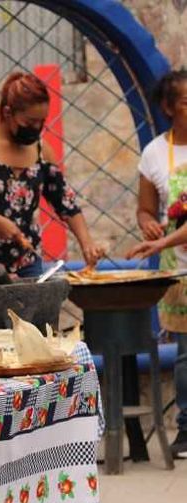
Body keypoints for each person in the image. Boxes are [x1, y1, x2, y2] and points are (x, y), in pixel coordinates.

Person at [0, 72, 103, 277]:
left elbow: (66, 203)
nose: (36, 129)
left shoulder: (42, 151)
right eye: (29, 122)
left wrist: (87, 242)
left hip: (28, 263)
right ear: (8, 113)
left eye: (41, 122)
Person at [126, 69, 187, 457]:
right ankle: (186, 428)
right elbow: (146, 209)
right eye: (185, 102)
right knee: (184, 354)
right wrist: (149, 226)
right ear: (168, 107)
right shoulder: (154, 153)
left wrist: (163, 238)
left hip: (171, 246)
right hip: (179, 269)